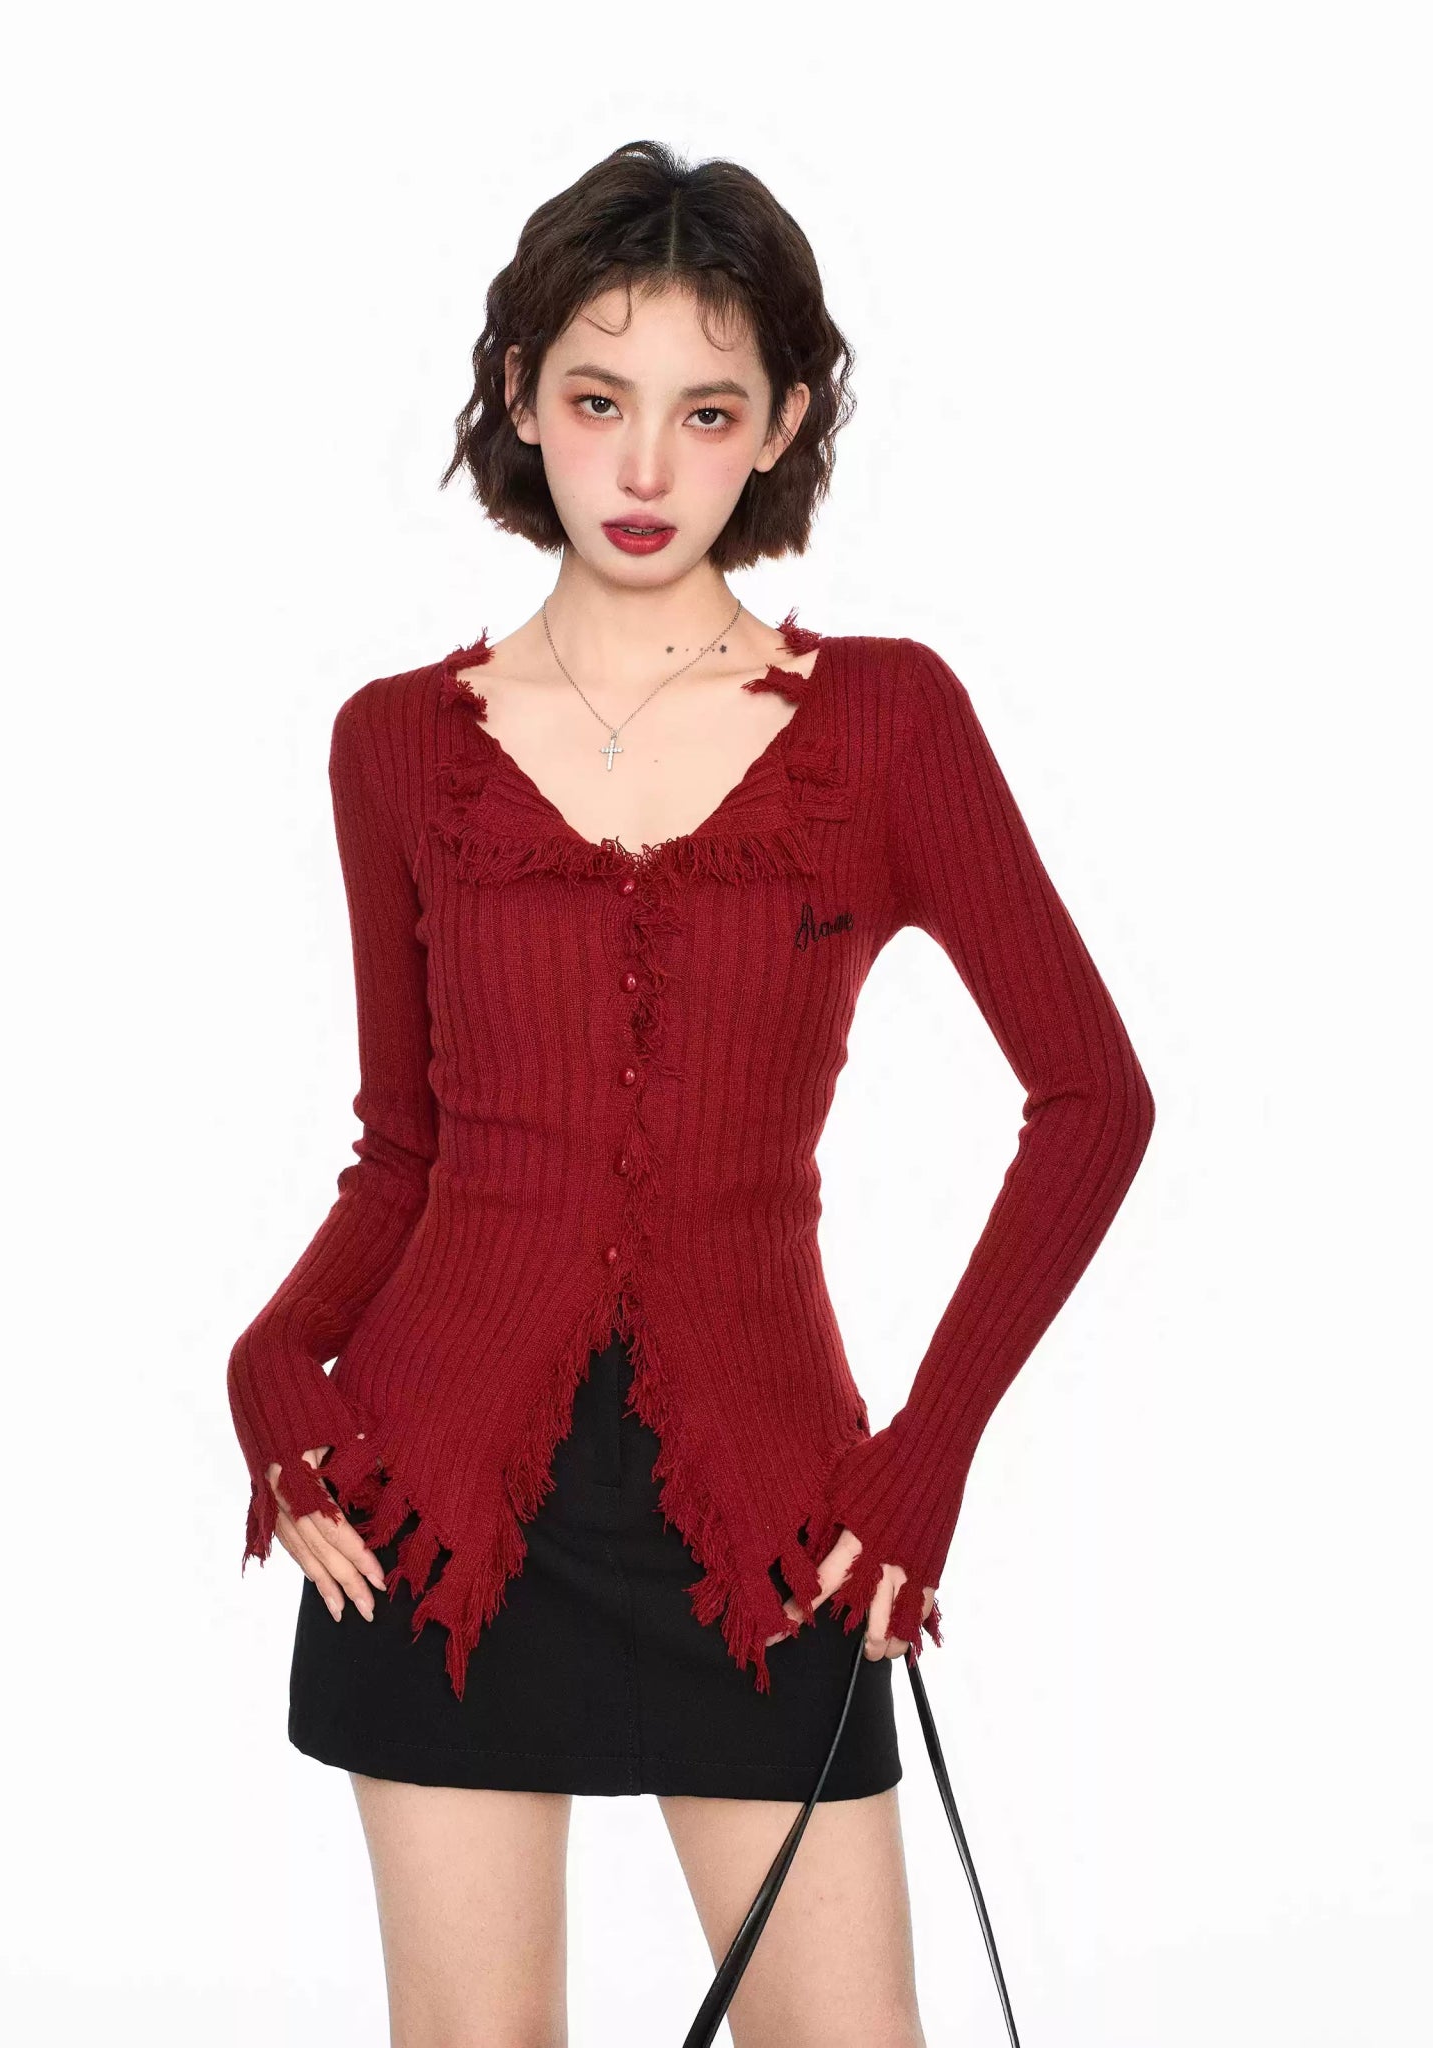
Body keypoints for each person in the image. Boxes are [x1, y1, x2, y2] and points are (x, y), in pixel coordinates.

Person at [225, 138, 1155, 2048]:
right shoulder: (396, 745)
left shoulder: (885, 722)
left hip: (769, 1521)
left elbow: (1091, 1097)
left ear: (782, 424)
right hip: (433, 1513)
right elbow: (404, 1152)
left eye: (706, 411)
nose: (644, 468)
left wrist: (929, 1450)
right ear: (520, 398)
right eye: (598, 400)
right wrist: (268, 1360)